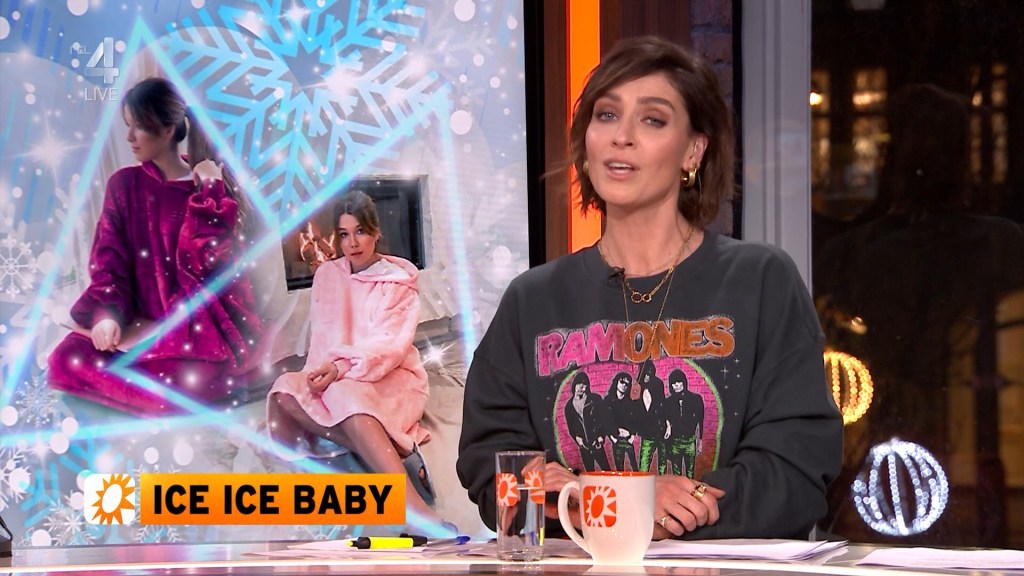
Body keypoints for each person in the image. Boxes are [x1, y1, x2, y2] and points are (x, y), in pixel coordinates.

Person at [457, 36, 843, 540]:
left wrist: (623, 505)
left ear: (693, 150)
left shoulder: (761, 280)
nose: (622, 137)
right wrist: (609, 501)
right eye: (607, 115)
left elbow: (794, 473)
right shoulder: (531, 300)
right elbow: (494, 474)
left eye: (653, 120)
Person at [47, 77, 262, 415]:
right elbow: (109, 260)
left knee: (183, 386)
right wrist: (107, 315)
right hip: (134, 325)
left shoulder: (206, 190)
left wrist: (210, 189)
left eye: (138, 127)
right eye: (127, 126)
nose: (129, 137)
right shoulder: (123, 185)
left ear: (166, 130)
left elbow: (207, 266)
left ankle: (158, 396)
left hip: (192, 336)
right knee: (65, 358)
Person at [266, 190, 453, 533]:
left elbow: (389, 346)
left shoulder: (396, 281)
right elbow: (323, 339)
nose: (352, 243)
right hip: (335, 373)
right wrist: (323, 371)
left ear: (376, 232)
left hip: (391, 374)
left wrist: (341, 369)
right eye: (343, 234)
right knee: (283, 392)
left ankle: (416, 511)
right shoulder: (328, 275)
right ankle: (389, 454)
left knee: (346, 396)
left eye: (360, 232)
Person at [562, 371, 611, 471]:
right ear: (574, 385)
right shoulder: (569, 407)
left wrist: (601, 436)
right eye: (578, 384)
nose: (581, 387)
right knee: (589, 472)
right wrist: (577, 439)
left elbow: (604, 419)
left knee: (606, 470)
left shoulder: (595, 399)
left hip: (596, 442)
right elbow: (571, 427)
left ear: (587, 386)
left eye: (584, 384)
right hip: (584, 446)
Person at [663, 368, 705, 477]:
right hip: (675, 442)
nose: (676, 385)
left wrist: (700, 442)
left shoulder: (695, 399)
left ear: (684, 382)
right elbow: (664, 417)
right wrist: (668, 425)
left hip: (689, 441)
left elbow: (700, 420)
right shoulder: (668, 401)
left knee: (690, 473)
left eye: (678, 382)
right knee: (676, 475)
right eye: (673, 383)